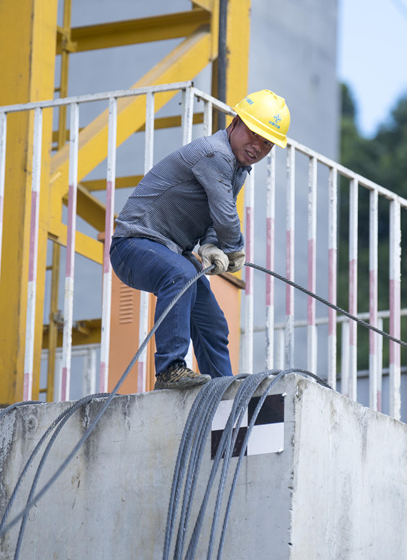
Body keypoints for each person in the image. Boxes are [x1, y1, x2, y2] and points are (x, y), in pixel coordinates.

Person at [110, 89, 290, 390]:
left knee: (212, 320)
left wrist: (210, 244)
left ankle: (224, 392)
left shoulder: (237, 169)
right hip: (133, 244)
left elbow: (214, 215)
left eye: (267, 142)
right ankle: (170, 370)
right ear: (235, 123)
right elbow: (225, 213)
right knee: (180, 274)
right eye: (254, 134)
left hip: (169, 250)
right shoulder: (215, 154)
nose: (258, 146)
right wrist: (233, 248)